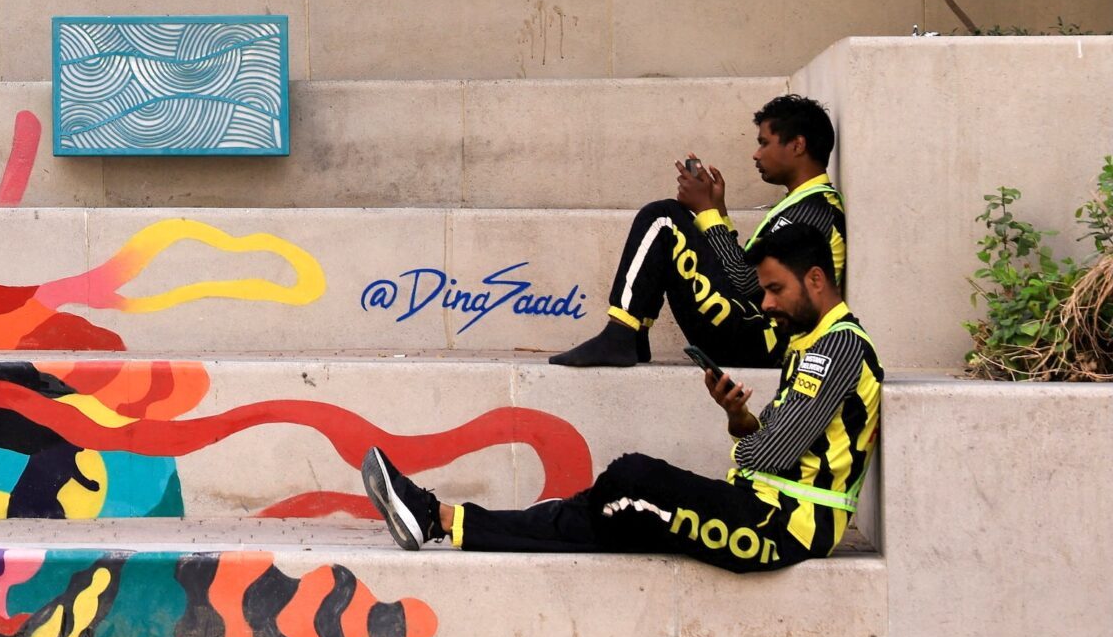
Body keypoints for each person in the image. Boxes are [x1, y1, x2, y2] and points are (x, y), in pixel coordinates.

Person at [363, 224, 880, 572]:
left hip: (782, 529)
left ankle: (440, 519)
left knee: (628, 482)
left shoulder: (839, 347)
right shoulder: (813, 342)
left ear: (816, 278)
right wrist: (739, 416)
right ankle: (441, 519)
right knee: (611, 503)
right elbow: (770, 444)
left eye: (775, 289)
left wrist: (753, 444)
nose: (766, 304)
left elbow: (770, 454)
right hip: (762, 511)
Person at [551, 93, 846, 370]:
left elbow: (745, 282)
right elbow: (753, 275)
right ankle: (633, 336)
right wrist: (717, 211)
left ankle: (620, 335)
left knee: (663, 218)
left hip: (767, 343)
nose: (756, 154)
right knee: (676, 218)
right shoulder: (803, 204)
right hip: (757, 332)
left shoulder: (813, 211)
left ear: (797, 145)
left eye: (764, 143)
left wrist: (706, 211)